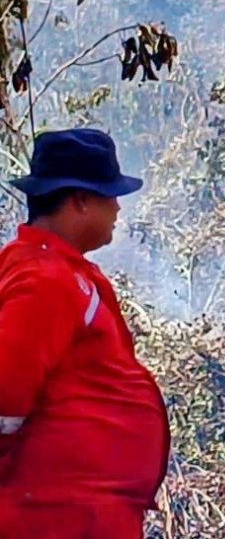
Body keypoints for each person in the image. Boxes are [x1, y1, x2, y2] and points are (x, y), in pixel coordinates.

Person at [0, 128, 170, 539]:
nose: (116, 208)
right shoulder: (45, 279)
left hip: (77, 512)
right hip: (55, 516)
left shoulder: (62, 273)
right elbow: (6, 394)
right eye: (109, 196)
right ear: (80, 201)